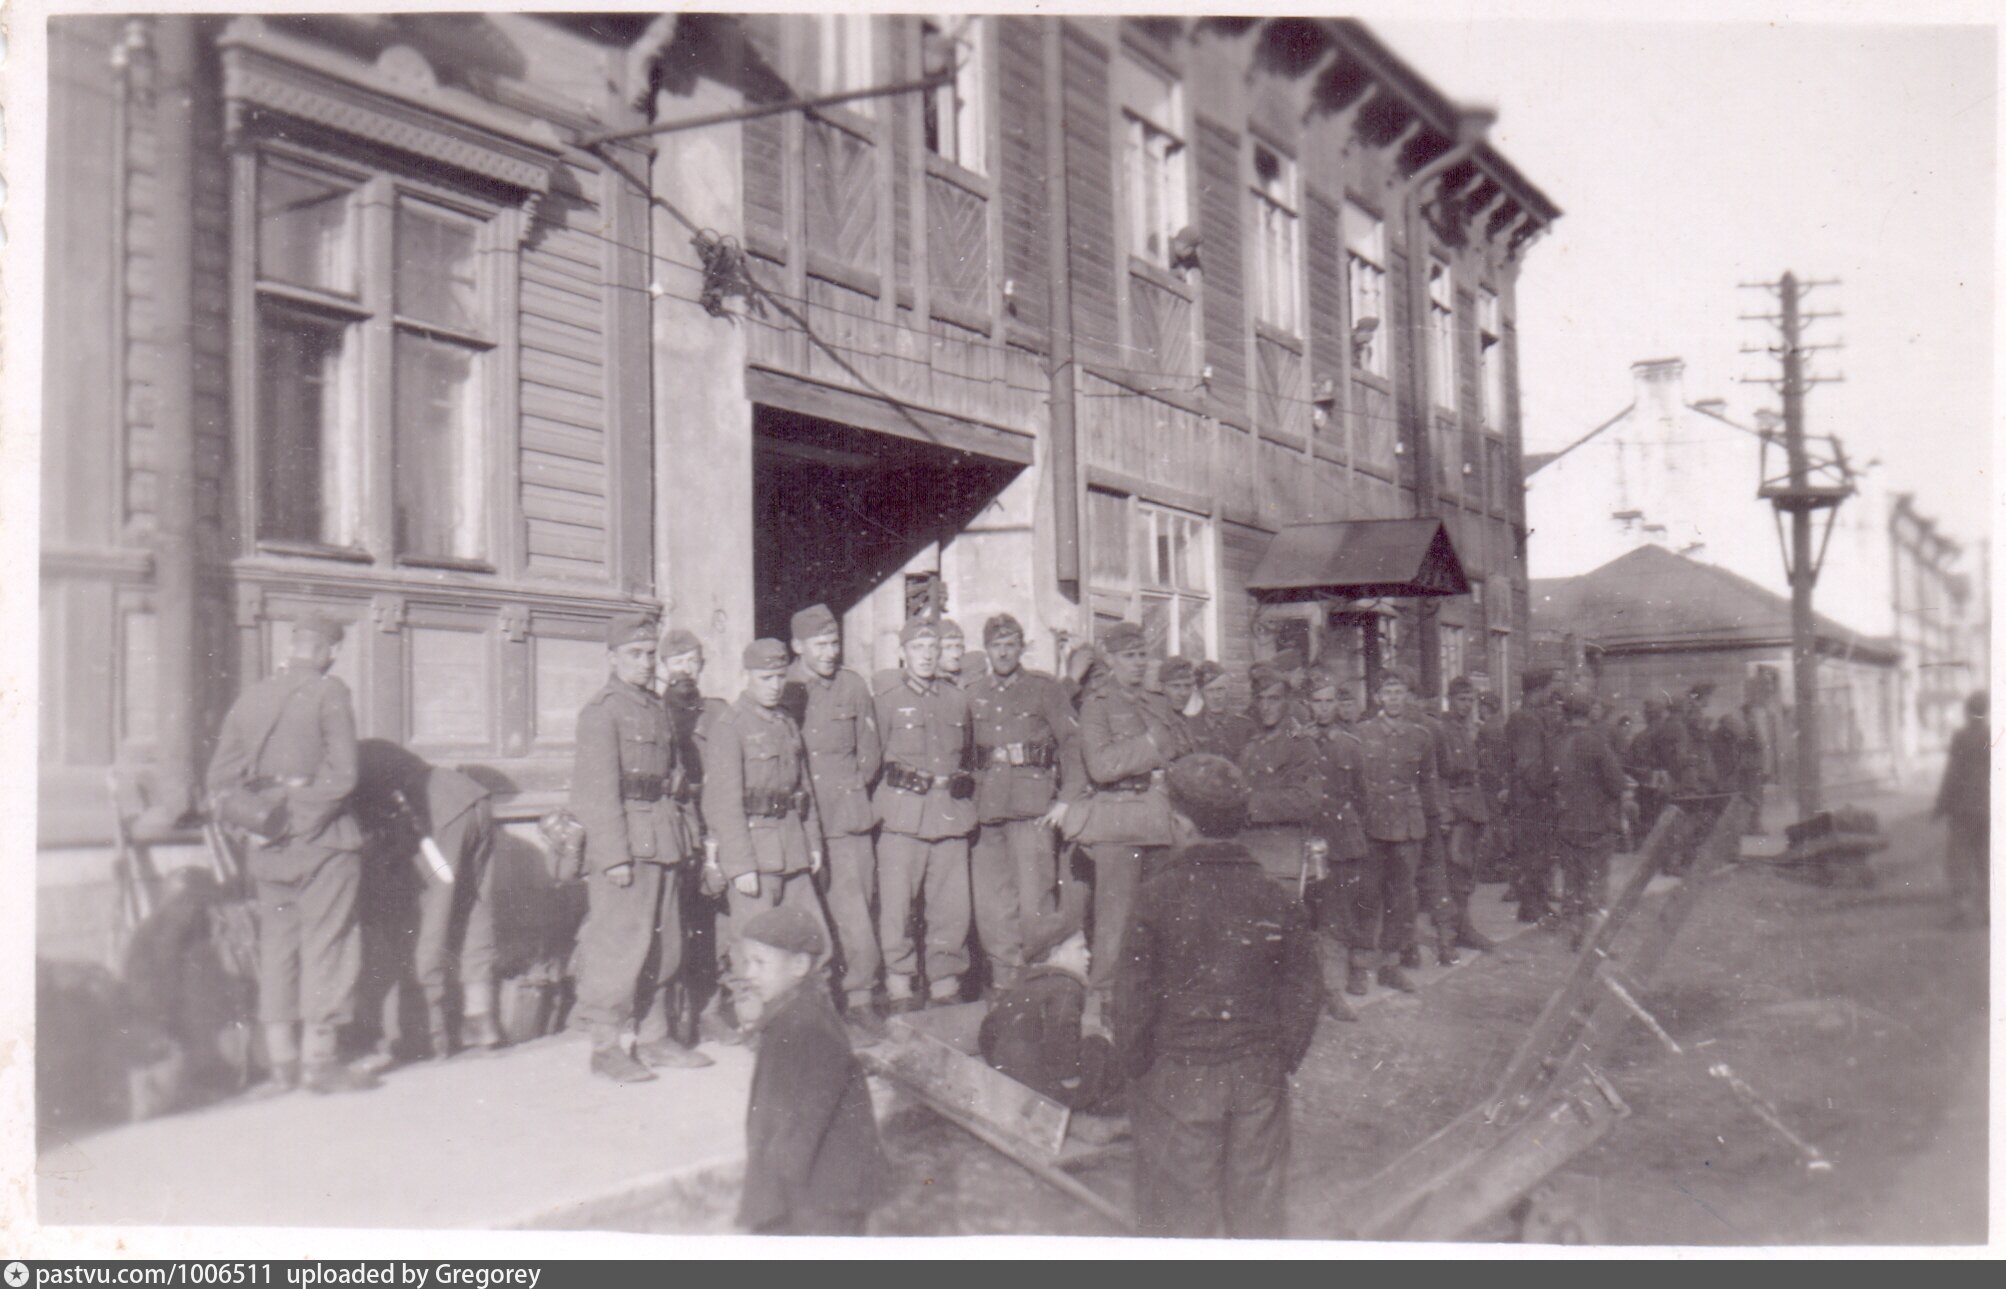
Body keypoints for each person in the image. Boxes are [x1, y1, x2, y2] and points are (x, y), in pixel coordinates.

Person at [1115, 754, 1324, 1239]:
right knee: (1258, 1218)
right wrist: (1277, 1058)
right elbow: (1304, 989)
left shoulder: (1156, 894)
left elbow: (1132, 1000)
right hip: (1257, 1075)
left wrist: (1140, 1068)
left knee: (1177, 1223)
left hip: (1178, 1075)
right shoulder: (1275, 895)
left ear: (1180, 824)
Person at [205, 610, 377, 1095]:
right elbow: (344, 775)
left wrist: (260, 828)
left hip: (266, 847)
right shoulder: (330, 692)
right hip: (322, 843)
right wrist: (295, 820)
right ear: (331, 651)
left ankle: (281, 1064)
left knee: (278, 947)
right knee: (329, 944)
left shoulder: (251, 697)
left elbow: (220, 782)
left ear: (292, 646)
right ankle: (319, 1064)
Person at [571, 614, 710, 1082]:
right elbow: (595, 792)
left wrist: (686, 835)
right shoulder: (602, 711)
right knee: (619, 947)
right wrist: (612, 857)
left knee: (665, 945)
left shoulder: (655, 708)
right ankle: (606, 1046)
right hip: (628, 844)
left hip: (664, 839)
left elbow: (674, 782)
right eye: (634, 653)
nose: (645, 662)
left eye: (650, 653)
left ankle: (653, 1039)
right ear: (612, 658)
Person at [701, 638, 830, 1037]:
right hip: (754, 855)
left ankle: (812, 1021)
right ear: (748, 676)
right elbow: (722, 803)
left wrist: (812, 843)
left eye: (779, 677)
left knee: (813, 939)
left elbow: (801, 789)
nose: (774, 685)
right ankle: (755, 1025)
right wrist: (738, 865)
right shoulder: (730, 726)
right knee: (753, 948)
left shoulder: (786, 721)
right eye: (765, 677)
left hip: (791, 848)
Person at [735, 906, 890, 1236]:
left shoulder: (808, 1026)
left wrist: (771, 1202)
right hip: (813, 1187)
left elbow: (805, 1121)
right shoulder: (790, 1015)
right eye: (747, 962)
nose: (749, 973)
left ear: (800, 966)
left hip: (823, 1197)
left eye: (760, 963)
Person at [1067, 621, 1191, 1013]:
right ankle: (1104, 1002)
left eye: (1142, 655)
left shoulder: (1157, 701)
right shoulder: (1096, 704)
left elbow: (1185, 745)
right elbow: (1101, 766)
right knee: (1115, 923)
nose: (1138, 663)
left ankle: (1156, 1001)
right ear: (1111, 659)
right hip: (1118, 821)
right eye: (1129, 656)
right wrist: (1152, 746)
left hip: (1159, 818)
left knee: (1163, 915)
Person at [351, 739, 501, 1061]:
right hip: (472, 798)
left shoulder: (338, 765)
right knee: (474, 909)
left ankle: (428, 1037)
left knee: (427, 920)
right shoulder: (367, 748)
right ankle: (481, 1018)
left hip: (435, 815)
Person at [781, 605, 885, 1042]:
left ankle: (860, 1000)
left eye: (833, 643)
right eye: (819, 645)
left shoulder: (853, 686)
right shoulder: (781, 687)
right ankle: (814, 1006)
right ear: (797, 647)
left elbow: (870, 753)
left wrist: (846, 791)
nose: (828, 652)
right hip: (800, 819)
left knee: (856, 912)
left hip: (845, 819)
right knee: (805, 915)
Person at [965, 613, 1076, 996]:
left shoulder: (1044, 689)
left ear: (1021, 647)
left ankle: (1037, 980)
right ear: (986, 649)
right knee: (993, 906)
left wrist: (1066, 799)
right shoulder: (972, 691)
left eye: (1011, 644)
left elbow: (1071, 744)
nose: (1004, 652)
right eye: (997, 645)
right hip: (987, 810)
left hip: (1032, 809)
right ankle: (1003, 981)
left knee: (1034, 903)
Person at [872, 617, 978, 1011]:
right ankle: (899, 986)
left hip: (948, 812)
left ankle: (944, 985)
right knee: (897, 908)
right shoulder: (885, 700)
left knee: (951, 909)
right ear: (902, 654)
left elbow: (967, 753)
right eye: (917, 648)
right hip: (902, 815)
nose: (927, 656)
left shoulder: (956, 699)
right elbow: (871, 759)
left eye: (933, 648)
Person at [1242, 667, 1357, 1023]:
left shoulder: (1299, 743)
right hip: (1254, 851)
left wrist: (1248, 804)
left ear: (1288, 701)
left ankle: (1326, 992)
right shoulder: (1251, 742)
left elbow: (1306, 799)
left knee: (1303, 924)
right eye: (1260, 698)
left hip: (1287, 852)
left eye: (1274, 698)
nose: (1266, 706)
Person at [977, 907, 1122, 1114]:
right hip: (1049, 1093)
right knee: (1099, 1046)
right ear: (1056, 954)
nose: (1088, 955)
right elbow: (1061, 1031)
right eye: (1080, 949)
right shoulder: (1066, 986)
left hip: (1012, 1079)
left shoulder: (1024, 984)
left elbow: (988, 1029)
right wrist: (1070, 1078)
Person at [1350, 668, 1442, 995]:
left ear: (1407, 697)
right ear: (1377, 698)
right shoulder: (1360, 733)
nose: (1393, 698)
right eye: (1387, 692)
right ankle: (1359, 965)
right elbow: (1354, 783)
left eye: (1399, 692)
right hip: (1372, 824)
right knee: (1366, 895)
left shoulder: (1421, 736)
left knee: (1401, 897)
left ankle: (1389, 963)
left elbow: (1428, 781)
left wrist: (1433, 823)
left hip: (1408, 825)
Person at [1552, 687, 1628, 950]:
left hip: (1565, 822)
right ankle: (1594, 942)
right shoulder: (1595, 741)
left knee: (1572, 881)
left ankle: (1571, 934)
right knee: (1595, 882)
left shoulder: (1559, 741)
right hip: (1595, 823)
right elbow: (1617, 783)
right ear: (1589, 712)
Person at [1428, 676, 1497, 965]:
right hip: (1454, 807)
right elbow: (1439, 775)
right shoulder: (1442, 730)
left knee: (1465, 871)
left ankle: (1463, 928)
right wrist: (1444, 811)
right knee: (1449, 873)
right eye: (1461, 700)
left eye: (1471, 700)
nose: (1467, 705)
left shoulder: (1467, 730)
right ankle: (1447, 937)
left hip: (1470, 806)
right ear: (1450, 699)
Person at [1506, 669, 1562, 923]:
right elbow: (1529, 764)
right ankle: (1531, 907)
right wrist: (1546, 789)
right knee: (1532, 854)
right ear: (1537, 690)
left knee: (1539, 854)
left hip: (1533, 797)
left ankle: (1538, 903)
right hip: (1530, 799)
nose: (1550, 695)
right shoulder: (1525, 719)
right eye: (1548, 689)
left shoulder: (1531, 717)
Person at [1934, 690, 1990, 928]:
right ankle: (1989, 910)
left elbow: (1952, 773)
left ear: (1968, 710)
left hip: (1963, 808)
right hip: (1987, 808)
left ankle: (1962, 910)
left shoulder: (1961, 736)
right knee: (1984, 858)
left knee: (1958, 858)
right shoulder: (1993, 734)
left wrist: (1940, 806)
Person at [1186, 661, 1256, 763]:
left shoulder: (1246, 727)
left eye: (1220, 689)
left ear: (1228, 691)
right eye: (1210, 691)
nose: (1216, 697)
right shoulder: (1189, 727)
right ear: (1201, 694)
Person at [1475, 690, 1512, 882]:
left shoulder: (1486, 729)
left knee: (1492, 824)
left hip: (1490, 783)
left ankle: (1494, 866)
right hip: (1502, 781)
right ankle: (1501, 864)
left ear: (1486, 707)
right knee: (1500, 823)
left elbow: (1487, 759)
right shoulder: (1502, 725)